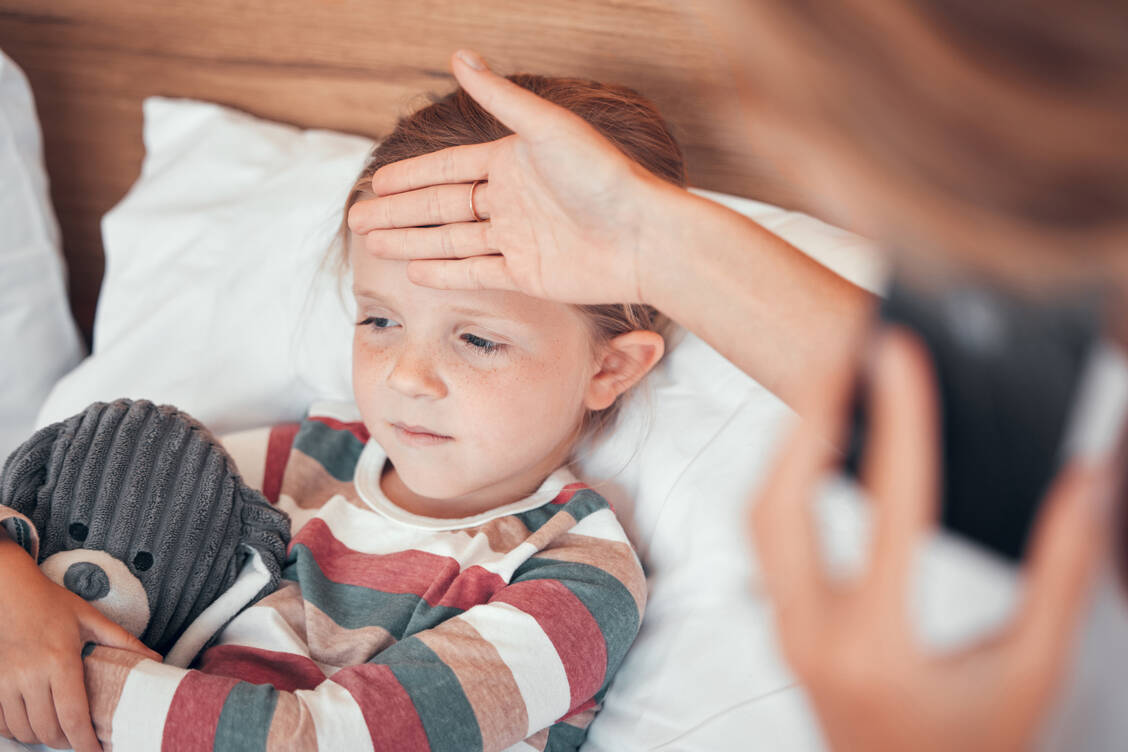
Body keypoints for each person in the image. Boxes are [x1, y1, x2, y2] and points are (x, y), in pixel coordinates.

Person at [344, 3, 1127, 747]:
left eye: (801, 92)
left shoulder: (567, 574)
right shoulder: (319, 453)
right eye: (377, 319)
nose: (773, 130)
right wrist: (649, 241)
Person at [0, 74, 683, 752]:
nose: (407, 376)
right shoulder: (305, 458)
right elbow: (74, 488)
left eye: (478, 338)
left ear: (609, 367)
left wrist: (47, 668)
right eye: (380, 319)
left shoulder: (575, 579)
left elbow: (320, 741)